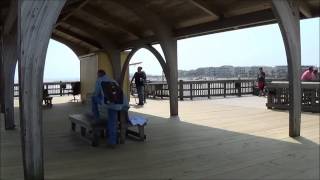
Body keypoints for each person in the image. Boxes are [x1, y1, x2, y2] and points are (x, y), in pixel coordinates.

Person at [91, 69, 119, 147]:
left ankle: (96, 118)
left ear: (99, 74)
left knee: (93, 98)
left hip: (108, 102)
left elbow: (96, 93)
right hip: (117, 102)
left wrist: (98, 98)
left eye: (97, 74)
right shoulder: (112, 80)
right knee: (113, 121)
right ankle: (112, 141)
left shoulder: (99, 80)